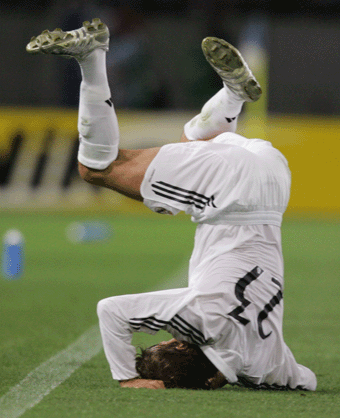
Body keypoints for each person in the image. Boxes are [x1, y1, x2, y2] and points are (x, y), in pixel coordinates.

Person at [26, 19, 317, 391]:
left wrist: (230, 375)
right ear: (178, 342)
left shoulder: (267, 367)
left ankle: (232, 97)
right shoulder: (199, 320)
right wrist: (128, 378)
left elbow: (305, 381)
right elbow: (111, 311)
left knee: (191, 139)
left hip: (273, 181)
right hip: (231, 192)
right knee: (96, 169)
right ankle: (91, 55)